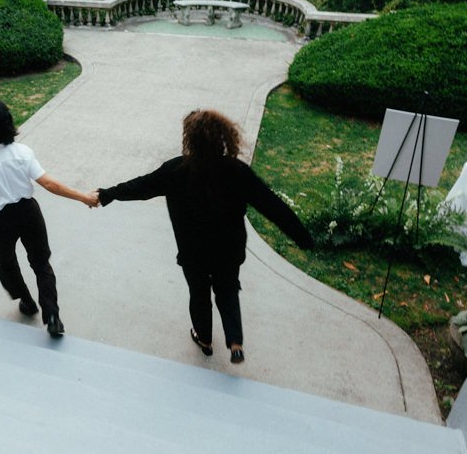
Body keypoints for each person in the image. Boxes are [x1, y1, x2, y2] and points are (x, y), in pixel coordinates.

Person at [97, 109, 313, 363]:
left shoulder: (175, 170)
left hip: (193, 252)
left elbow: (140, 187)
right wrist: (302, 237)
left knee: (199, 293)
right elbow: (273, 206)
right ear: (224, 137)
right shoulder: (237, 171)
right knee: (228, 290)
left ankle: (205, 339)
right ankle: (235, 343)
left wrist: (106, 194)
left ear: (190, 139)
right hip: (229, 251)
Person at [0, 98, 99, 338]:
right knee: (41, 264)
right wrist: (84, 197)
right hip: (28, 213)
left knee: (6, 265)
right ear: (8, 122)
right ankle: (52, 315)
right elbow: (49, 184)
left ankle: (27, 303)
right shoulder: (21, 152)